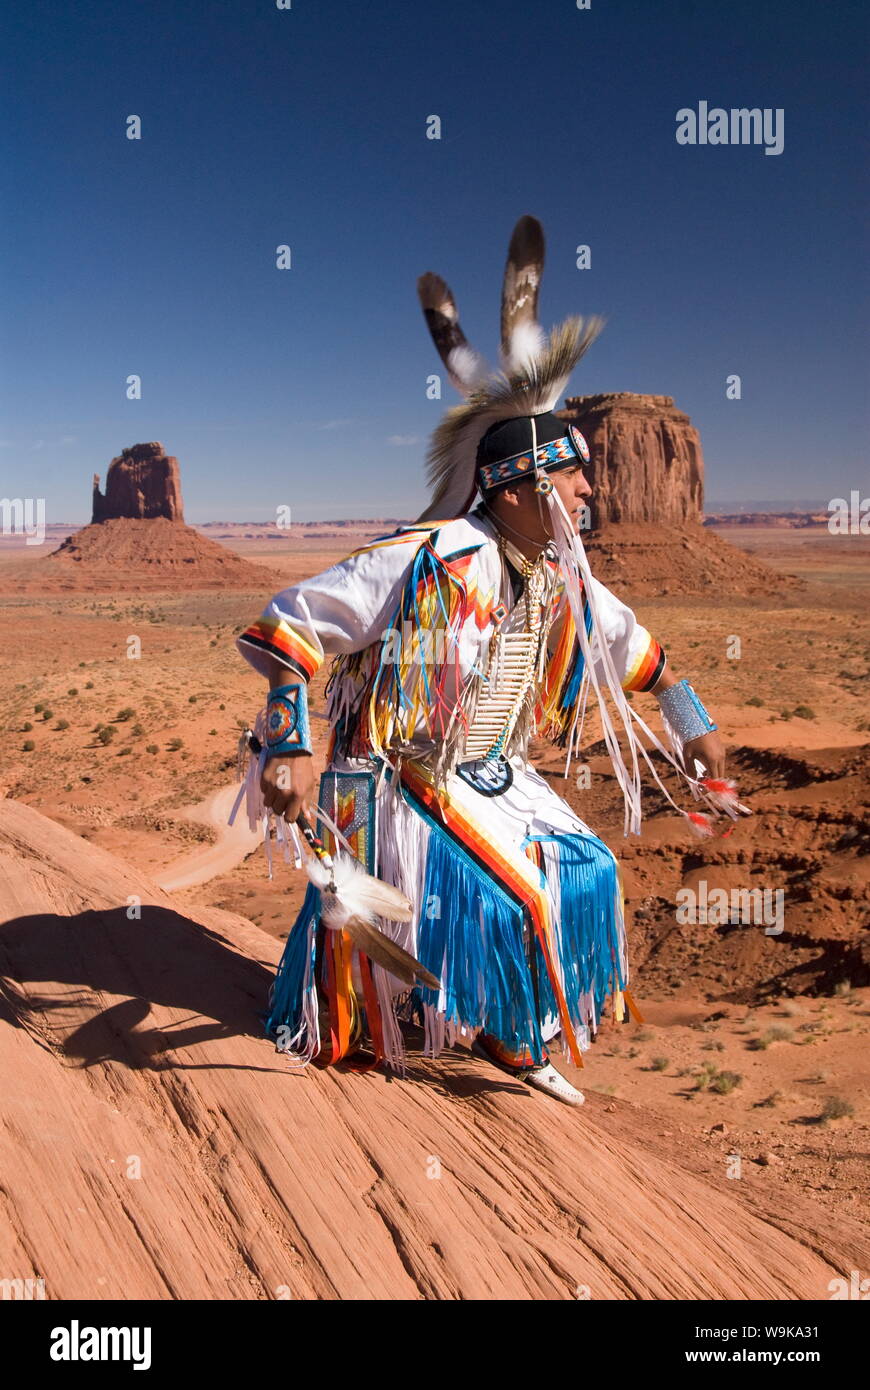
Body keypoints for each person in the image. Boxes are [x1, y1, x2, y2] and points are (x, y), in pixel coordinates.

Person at [234, 216, 729, 1107]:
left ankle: (487, 1013)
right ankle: (460, 1023)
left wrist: (694, 727)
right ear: (527, 483)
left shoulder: (559, 573)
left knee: (587, 870)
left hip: (488, 771)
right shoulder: (429, 557)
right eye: (576, 478)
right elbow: (290, 623)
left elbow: (639, 652)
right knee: (516, 903)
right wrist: (286, 740)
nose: (592, 491)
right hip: (394, 773)